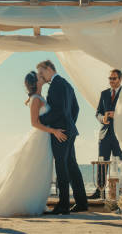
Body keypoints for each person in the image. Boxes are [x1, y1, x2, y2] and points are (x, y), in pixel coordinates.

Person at [0, 71, 67, 216]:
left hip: (44, 139)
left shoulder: (40, 97)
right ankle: (22, 203)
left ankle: (35, 202)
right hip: (39, 138)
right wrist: (54, 131)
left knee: (39, 173)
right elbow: (34, 123)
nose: (42, 77)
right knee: (32, 171)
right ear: (35, 83)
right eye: (39, 77)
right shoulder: (36, 99)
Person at [37, 60, 88, 214]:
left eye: (41, 72)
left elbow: (57, 111)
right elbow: (76, 108)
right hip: (69, 130)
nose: (40, 76)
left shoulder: (56, 85)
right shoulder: (66, 83)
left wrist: (41, 121)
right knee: (72, 166)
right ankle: (82, 203)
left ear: (48, 69)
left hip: (61, 131)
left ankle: (64, 205)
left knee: (61, 166)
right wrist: (70, 124)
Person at [89, 69, 122, 199]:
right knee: (102, 163)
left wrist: (117, 115)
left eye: (114, 78)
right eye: (110, 78)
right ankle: (100, 191)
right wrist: (102, 118)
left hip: (119, 134)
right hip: (104, 134)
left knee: (119, 163)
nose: (111, 81)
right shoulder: (104, 94)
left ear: (120, 79)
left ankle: (119, 192)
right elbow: (97, 112)